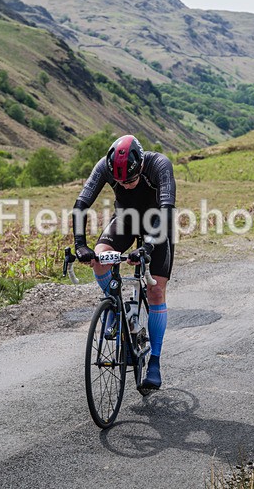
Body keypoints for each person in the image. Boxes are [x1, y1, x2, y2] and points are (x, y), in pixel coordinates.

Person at [72, 134, 176, 391]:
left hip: (157, 224)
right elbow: (81, 204)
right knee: (100, 258)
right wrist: (80, 244)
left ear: (140, 165)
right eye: (120, 182)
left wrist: (148, 246)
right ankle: (116, 308)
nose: (126, 186)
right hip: (126, 220)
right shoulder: (104, 166)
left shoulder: (159, 165)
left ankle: (154, 361)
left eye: (130, 180)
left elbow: (166, 210)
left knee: (155, 289)